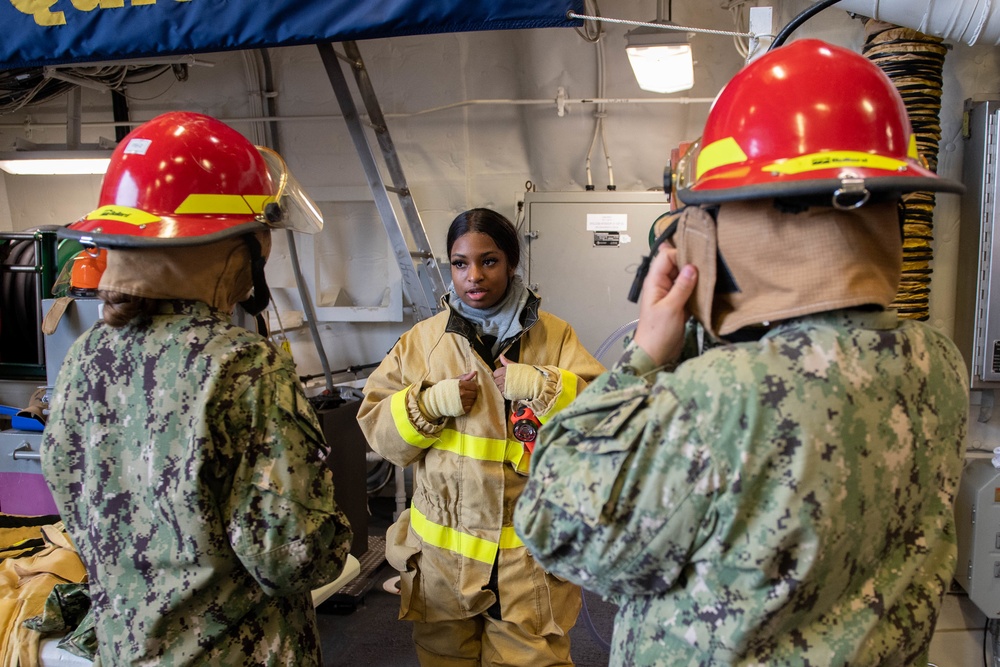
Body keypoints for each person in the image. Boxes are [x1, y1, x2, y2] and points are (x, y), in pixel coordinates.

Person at [514, 39, 970, 666]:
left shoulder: (719, 394)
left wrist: (646, 354)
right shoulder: (937, 365)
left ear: (741, 226)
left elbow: (552, 523)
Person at [41, 111, 353, 666]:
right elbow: (293, 556)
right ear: (232, 246)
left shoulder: (86, 357)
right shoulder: (242, 366)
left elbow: (77, 507)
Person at [357, 208, 605, 666]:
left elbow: (604, 424)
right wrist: (427, 405)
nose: (473, 276)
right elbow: (379, 432)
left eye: (488, 261)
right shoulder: (422, 342)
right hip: (442, 566)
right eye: (460, 263)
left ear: (511, 263)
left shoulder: (555, 337)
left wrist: (541, 386)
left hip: (528, 568)